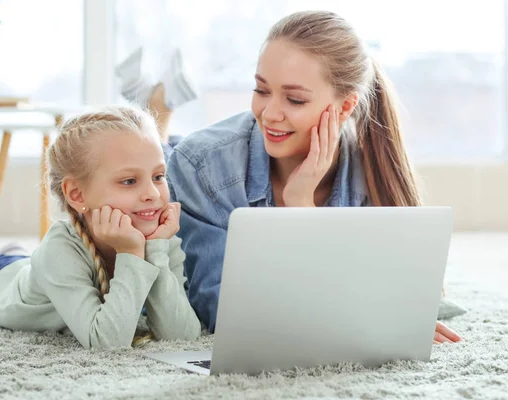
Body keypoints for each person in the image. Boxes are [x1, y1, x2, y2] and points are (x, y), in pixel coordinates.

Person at [167, 10, 462, 344]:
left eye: (294, 99)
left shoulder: (370, 169)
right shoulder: (202, 167)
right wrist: (357, 321)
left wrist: (301, 205)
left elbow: (398, 295)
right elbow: (223, 311)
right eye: (261, 90)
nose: (270, 114)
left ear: (345, 107)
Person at [0, 106, 201, 349]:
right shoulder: (58, 250)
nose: (153, 194)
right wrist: (131, 253)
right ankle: (9, 256)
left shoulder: (159, 235)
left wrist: (155, 249)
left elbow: (182, 336)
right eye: (129, 181)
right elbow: (107, 344)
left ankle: (16, 255)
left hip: (35, 268)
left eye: (158, 176)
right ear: (77, 194)